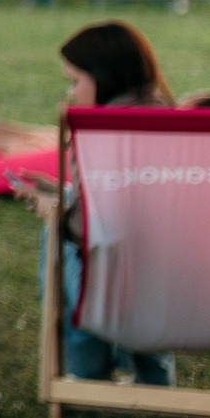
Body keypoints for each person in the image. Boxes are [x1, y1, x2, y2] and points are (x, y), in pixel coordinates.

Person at [46, 20, 177, 387]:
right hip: (188, 283)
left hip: (112, 285)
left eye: (74, 81)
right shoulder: (179, 125)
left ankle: (89, 374)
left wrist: (59, 206)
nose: (71, 94)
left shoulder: (97, 133)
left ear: (104, 76)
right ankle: (155, 377)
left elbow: (96, 226)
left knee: (58, 236)